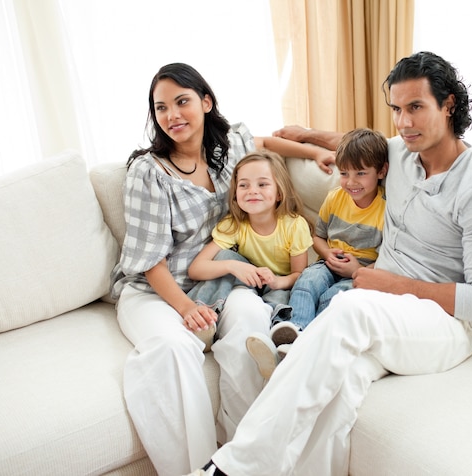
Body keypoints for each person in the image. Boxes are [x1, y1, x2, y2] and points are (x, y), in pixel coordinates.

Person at [187, 51, 472, 476]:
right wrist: (307, 135)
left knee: (348, 308)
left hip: (443, 325)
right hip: (383, 309)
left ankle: (228, 468)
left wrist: (388, 283)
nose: (403, 123)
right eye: (396, 110)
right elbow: (352, 141)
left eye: (416, 107)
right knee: (335, 389)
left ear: (449, 104)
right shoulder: (399, 156)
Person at [110, 62, 335, 476]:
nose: (172, 115)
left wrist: (316, 150)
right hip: (156, 289)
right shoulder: (149, 171)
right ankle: (195, 469)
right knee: (176, 349)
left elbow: (264, 143)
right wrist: (183, 309)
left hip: (223, 277)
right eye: (161, 108)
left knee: (253, 322)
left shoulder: (227, 146)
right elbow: (150, 261)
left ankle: (247, 460)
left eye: (182, 102)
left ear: (206, 102)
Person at [255, 128, 389, 375]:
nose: (351, 182)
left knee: (336, 297)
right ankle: (293, 332)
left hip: (361, 272)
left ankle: (311, 346)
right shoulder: (335, 198)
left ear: (381, 171)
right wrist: (326, 254)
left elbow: (388, 259)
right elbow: (317, 237)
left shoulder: (385, 209)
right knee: (307, 282)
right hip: (328, 261)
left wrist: (357, 269)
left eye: (361, 173)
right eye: (345, 173)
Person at [187, 150, 313, 378]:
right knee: (225, 258)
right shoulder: (234, 225)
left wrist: (277, 281)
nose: (252, 191)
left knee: (284, 304)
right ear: (235, 195)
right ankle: (207, 319)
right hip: (246, 282)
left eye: (263, 184)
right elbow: (196, 269)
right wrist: (234, 267)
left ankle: (275, 347)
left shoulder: (294, 225)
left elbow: (299, 275)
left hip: (277, 287)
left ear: (279, 193)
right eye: (243, 185)